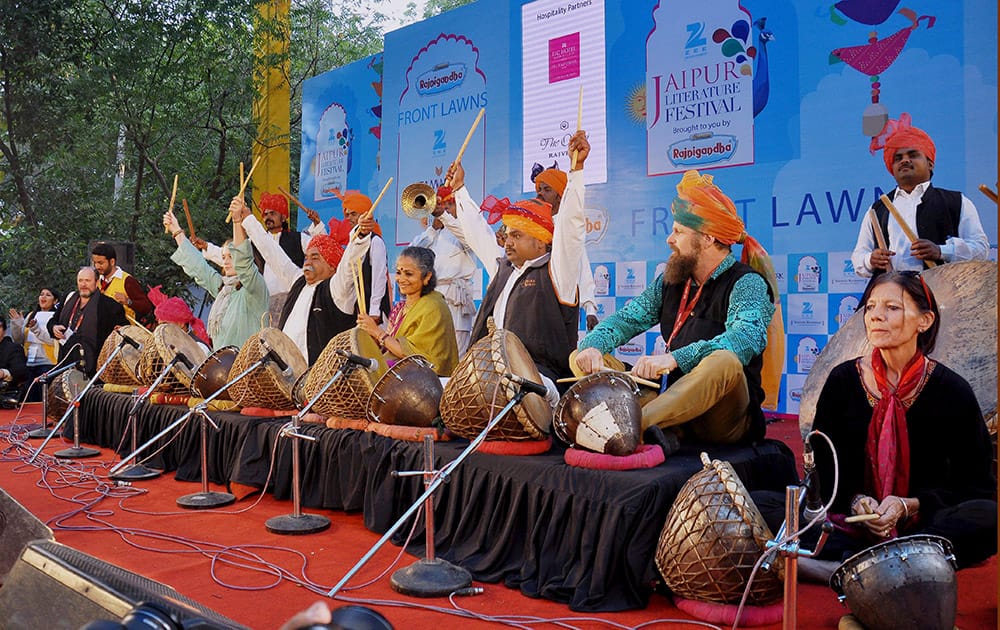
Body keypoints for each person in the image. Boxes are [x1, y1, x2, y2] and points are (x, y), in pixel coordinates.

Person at [790, 271, 996, 582]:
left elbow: (976, 485)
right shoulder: (843, 381)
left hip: (923, 523)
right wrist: (858, 501)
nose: (876, 317)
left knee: (988, 516)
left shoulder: (952, 390)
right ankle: (900, 566)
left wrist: (907, 505)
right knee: (774, 507)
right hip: (852, 523)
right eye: (871, 307)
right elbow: (825, 472)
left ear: (924, 320)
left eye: (892, 307)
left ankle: (850, 568)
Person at [575, 169, 780, 445]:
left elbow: (744, 340)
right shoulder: (671, 280)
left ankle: (627, 425)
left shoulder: (747, 283)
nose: (669, 240)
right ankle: (635, 422)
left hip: (723, 418)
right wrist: (594, 345)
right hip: (672, 404)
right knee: (581, 357)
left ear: (708, 238)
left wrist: (674, 359)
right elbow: (626, 319)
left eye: (678, 232)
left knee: (724, 361)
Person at [443, 130, 589, 385]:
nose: (507, 242)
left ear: (541, 240)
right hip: (492, 376)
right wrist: (460, 190)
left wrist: (576, 172)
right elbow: (479, 234)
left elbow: (571, 228)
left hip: (540, 383)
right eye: (508, 234)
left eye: (517, 235)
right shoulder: (506, 269)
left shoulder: (557, 272)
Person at [233, 196, 373, 364]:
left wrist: (361, 235)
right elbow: (271, 252)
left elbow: (350, 263)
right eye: (306, 257)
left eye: (315, 257)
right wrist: (247, 219)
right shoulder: (298, 281)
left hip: (318, 378)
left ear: (332, 266)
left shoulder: (337, 290)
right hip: (285, 373)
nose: (307, 262)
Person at [851, 113, 989, 276]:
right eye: (898, 158)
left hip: (940, 297)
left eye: (913, 155)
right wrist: (870, 259)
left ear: (930, 163)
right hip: (893, 295)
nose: (904, 160)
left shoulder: (956, 202)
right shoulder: (878, 208)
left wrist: (941, 251)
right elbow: (859, 256)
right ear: (892, 168)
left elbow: (981, 249)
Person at [195, 191, 326, 324]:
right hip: (263, 304)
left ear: (283, 217)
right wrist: (207, 247)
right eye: (265, 214)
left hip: (292, 300)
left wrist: (317, 226)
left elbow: (322, 251)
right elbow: (233, 259)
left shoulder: (298, 238)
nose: (268, 217)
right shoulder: (255, 242)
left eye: (272, 213)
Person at [164, 205, 268, 350]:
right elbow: (199, 268)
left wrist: (237, 221)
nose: (225, 261)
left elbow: (244, 264)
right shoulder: (224, 290)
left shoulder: (255, 288)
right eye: (224, 256)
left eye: (231, 256)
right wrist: (176, 230)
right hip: (224, 366)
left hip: (250, 367)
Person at [356, 246, 459, 376]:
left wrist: (377, 332)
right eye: (399, 272)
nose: (401, 279)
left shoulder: (433, 307)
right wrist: (369, 333)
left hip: (426, 379)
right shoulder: (400, 308)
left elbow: (416, 356)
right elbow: (389, 344)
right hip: (400, 373)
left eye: (409, 274)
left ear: (427, 277)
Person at [533, 167, 600, 331]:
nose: (540, 193)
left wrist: (590, 308)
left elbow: (581, 267)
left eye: (547, 190)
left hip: (559, 307)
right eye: (539, 189)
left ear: (559, 196)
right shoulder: (530, 227)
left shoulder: (566, 228)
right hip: (532, 304)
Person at [411, 198, 477, 354]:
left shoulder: (465, 230)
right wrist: (432, 229)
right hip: (430, 299)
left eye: (450, 204)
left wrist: (445, 219)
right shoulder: (431, 233)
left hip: (454, 298)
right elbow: (411, 256)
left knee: (455, 354)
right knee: (431, 353)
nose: (445, 209)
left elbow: (468, 240)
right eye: (441, 206)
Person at [48, 266, 128, 376]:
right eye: (80, 280)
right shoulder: (68, 298)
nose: (83, 284)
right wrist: (54, 328)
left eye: (87, 280)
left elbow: (124, 331)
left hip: (94, 367)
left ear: (96, 282)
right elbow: (52, 321)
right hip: (65, 362)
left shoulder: (111, 306)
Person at [333, 190, 391, 323]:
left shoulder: (375, 241)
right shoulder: (353, 241)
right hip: (359, 310)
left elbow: (379, 278)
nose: (349, 218)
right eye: (347, 215)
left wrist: (374, 311)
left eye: (354, 214)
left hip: (374, 313)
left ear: (366, 213)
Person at [8, 287, 61, 401]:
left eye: (48, 295)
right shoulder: (32, 315)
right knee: (30, 398)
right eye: (41, 294)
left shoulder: (58, 316)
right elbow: (19, 340)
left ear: (55, 300)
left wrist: (36, 329)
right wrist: (17, 324)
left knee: (44, 399)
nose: (43, 297)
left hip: (48, 364)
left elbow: (54, 340)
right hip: (30, 363)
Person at [91, 242, 154, 324]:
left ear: (112, 262)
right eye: (95, 263)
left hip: (124, 332)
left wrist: (128, 302)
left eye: (100, 263)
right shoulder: (96, 280)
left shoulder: (127, 280)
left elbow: (146, 307)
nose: (97, 267)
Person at [0, 317, 29, 401]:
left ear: (4, 331)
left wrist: (3, 373)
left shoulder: (13, 348)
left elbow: (22, 372)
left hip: (6, 395)